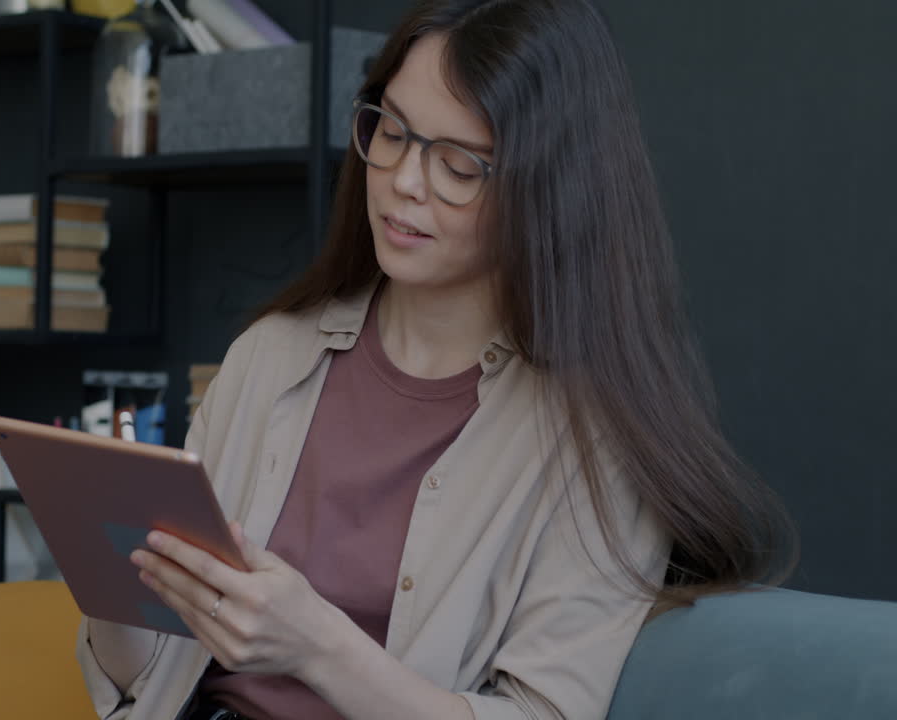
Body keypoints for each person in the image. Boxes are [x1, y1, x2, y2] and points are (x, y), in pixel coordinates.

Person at [78, 1, 795, 718]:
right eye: (392, 131)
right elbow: (144, 684)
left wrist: (317, 647)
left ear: (548, 188)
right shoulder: (269, 355)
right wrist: (112, 581)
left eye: (457, 164)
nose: (404, 181)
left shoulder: (596, 441)